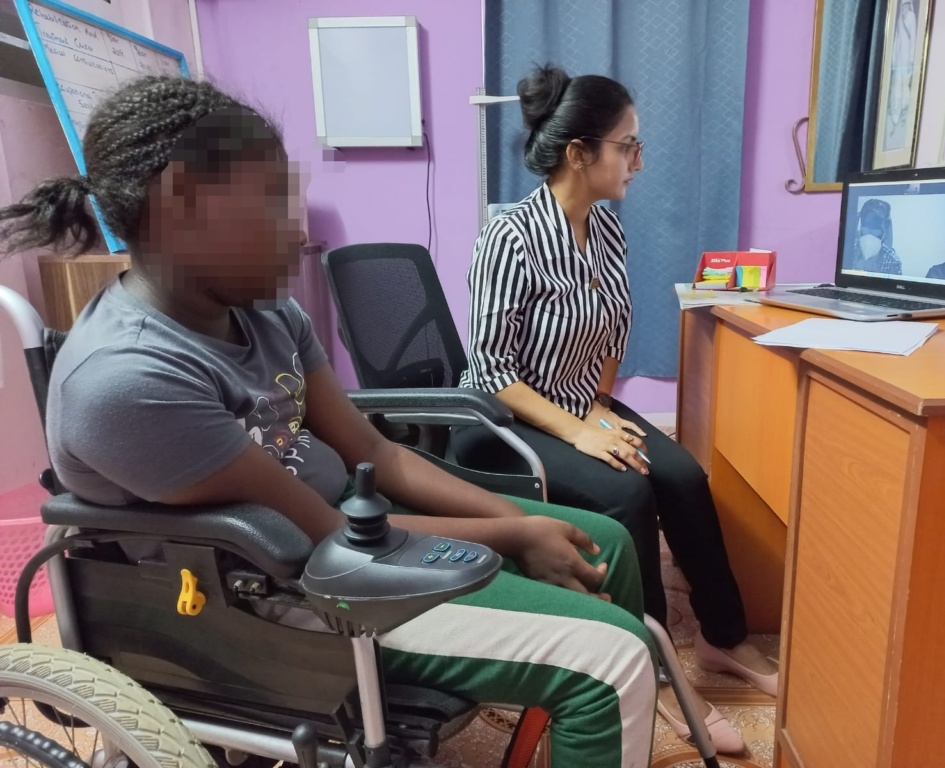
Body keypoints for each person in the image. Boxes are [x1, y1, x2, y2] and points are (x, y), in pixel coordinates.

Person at [0, 76, 659, 767]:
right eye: (268, 206)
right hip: (278, 595)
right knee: (608, 662)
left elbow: (376, 450)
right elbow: (322, 538)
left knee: (602, 541)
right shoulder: (128, 379)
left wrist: (521, 522)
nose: (298, 232)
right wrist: (514, 534)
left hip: (346, 534)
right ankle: (596, 693)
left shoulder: (267, 313)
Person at [454, 64, 777, 733]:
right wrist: (579, 431)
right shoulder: (509, 238)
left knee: (683, 476)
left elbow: (611, 332)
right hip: (505, 418)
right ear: (580, 153)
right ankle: (649, 670)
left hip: (577, 405)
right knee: (627, 492)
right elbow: (491, 371)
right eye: (628, 145)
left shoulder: (605, 229)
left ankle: (722, 637)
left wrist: (599, 406)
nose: (638, 161)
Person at [849, 198, 902, 274]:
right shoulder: (850, 251)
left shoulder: (893, 261)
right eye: (866, 225)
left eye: (875, 227)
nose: (869, 233)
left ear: (885, 231)